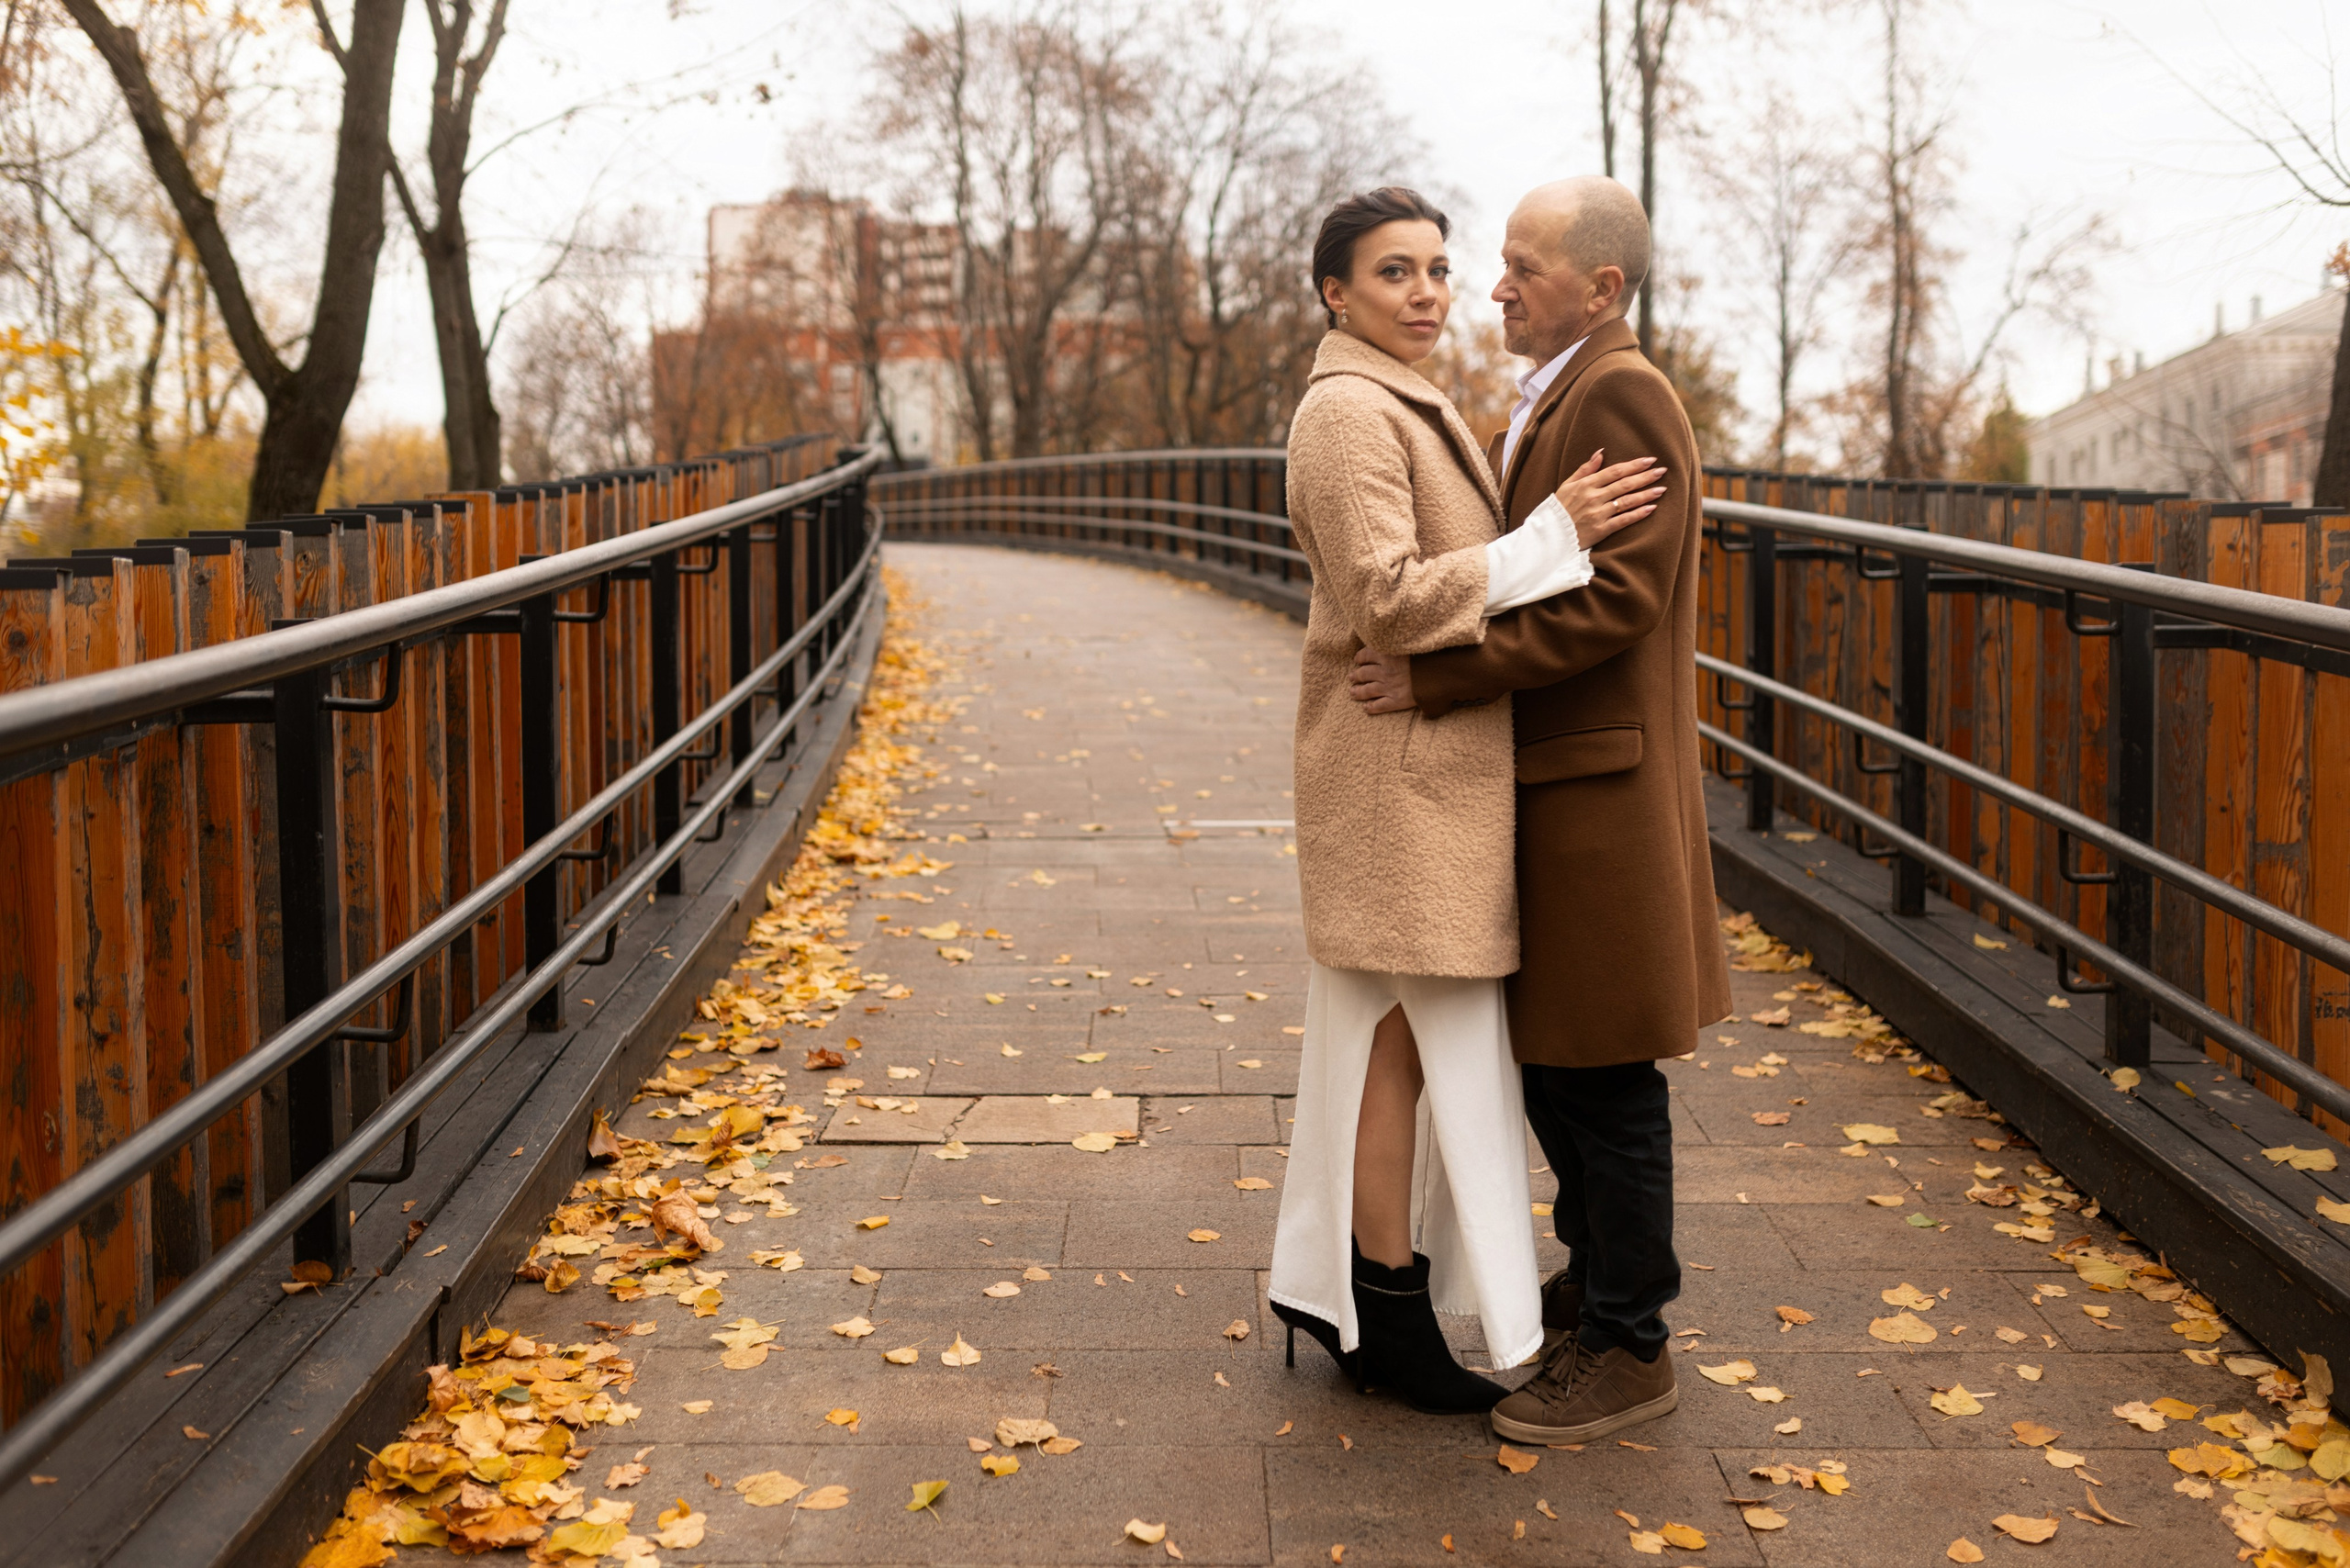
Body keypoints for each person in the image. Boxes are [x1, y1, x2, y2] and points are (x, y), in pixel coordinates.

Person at [1268, 185, 1668, 1415]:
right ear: (1336, 293)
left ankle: (1354, 1291)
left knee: (1395, 1042)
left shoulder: (1407, 396)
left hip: (1429, 777)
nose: (1433, 292)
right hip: (1400, 780)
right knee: (1404, 1042)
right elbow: (1389, 598)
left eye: (1438, 268)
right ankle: (1380, 1307)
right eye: (1396, 273)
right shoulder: (1346, 414)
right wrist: (1545, 536)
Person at [1348, 175, 1735, 1443]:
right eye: (1495, 263)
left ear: (1602, 288)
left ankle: (1634, 1343)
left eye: (1520, 266)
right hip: (1555, 786)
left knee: (1603, 1077)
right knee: (1560, 1072)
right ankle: (1602, 1292)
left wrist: (1435, 674)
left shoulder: (1621, 392)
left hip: (1599, 794)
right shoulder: (1556, 393)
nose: (1492, 284)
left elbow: (1614, 601)